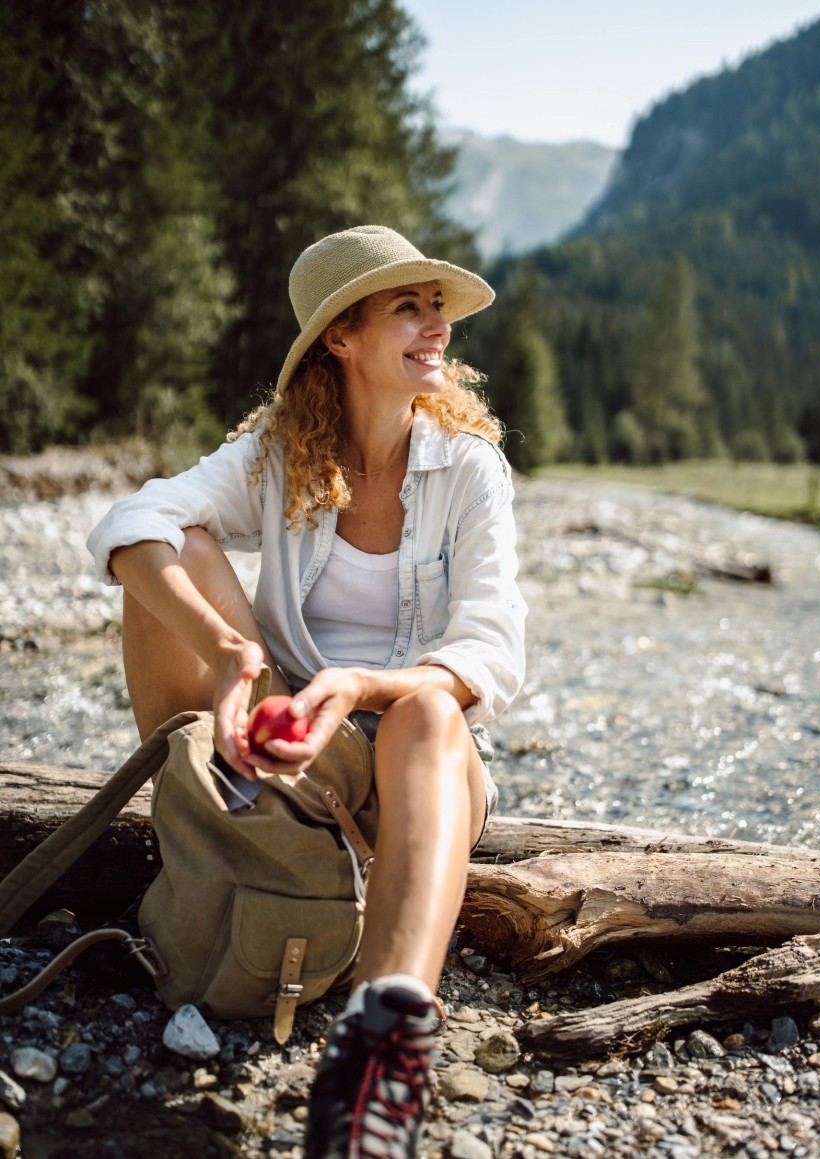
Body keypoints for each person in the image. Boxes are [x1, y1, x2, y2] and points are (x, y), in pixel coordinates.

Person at [87, 224, 526, 1159]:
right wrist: (228, 654)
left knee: (428, 707)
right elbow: (132, 519)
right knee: (174, 546)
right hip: (286, 745)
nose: (436, 326)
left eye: (436, 306)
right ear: (341, 335)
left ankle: (380, 1051)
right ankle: (208, 810)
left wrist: (359, 683)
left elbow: (490, 651)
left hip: (419, 769)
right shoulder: (281, 452)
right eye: (406, 307)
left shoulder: (469, 468)